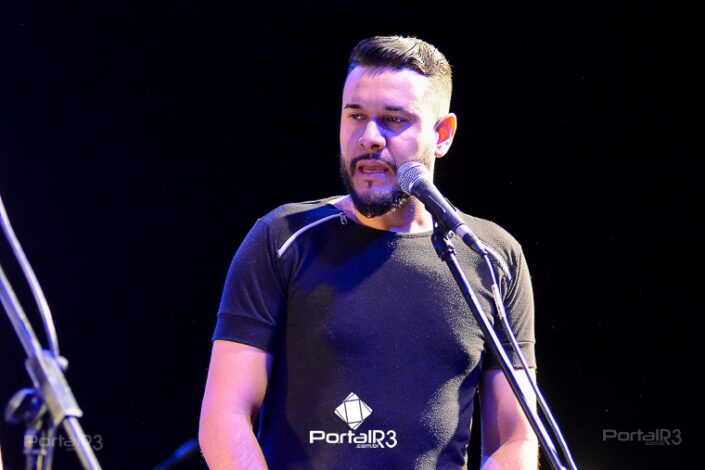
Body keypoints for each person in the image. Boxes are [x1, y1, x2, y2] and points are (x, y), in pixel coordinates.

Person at [199, 35, 538, 469]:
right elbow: (224, 415)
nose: (369, 137)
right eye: (355, 116)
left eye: (394, 120)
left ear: (442, 135)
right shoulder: (282, 239)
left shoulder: (492, 256)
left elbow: (515, 437)